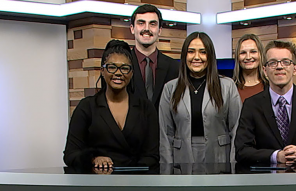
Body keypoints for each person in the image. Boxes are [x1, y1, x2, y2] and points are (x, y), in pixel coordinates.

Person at [63, 40, 159, 171]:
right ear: (102, 71)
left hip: (136, 182)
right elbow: (70, 155)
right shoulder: (87, 107)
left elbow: (152, 155)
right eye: (112, 67)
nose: (118, 73)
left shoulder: (146, 108)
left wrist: (130, 175)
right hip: (97, 184)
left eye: (124, 68)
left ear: (131, 73)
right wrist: (93, 159)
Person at [159, 32, 242, 165]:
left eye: (203, 52)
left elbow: (236, 130)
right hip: (181, 162)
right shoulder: (170, 88)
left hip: (219, 160)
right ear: (184, 55)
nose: (196, 57)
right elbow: (165, 135)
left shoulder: (228, 86)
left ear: (210, 56)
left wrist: (234, 166)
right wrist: (166, 171)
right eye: (191, 52)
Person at [129, 4, 179, 110]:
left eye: (152, 24)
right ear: (132, 29)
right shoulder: (122, 65)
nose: (146, 29)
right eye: (141, 23)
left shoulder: (175, 67)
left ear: (159, 30)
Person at [233, 34, 267, 103]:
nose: (248, 57)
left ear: (261, 54)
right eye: (243, 53)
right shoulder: (230, 88)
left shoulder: (271, 87)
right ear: (237, 57)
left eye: (253, 52)